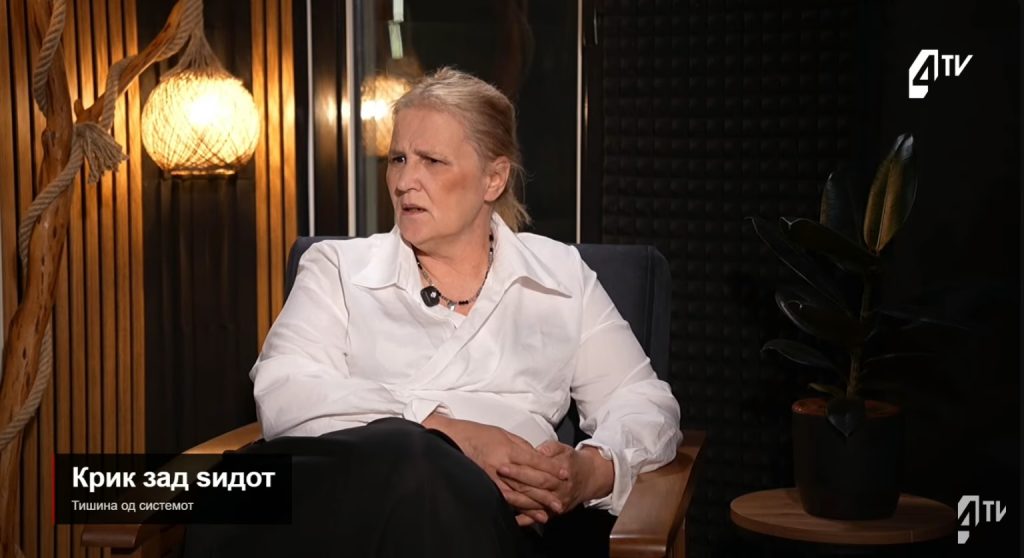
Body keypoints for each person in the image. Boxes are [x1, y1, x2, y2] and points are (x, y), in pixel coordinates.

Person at [184, 68, 681, 558]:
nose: (404, 181)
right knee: (409, 459)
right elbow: (284, 389)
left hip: (491, 524)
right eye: (398, 159)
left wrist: (593, 470)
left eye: (432, 161)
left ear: (493, 178)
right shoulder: (337, 267)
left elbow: (644, 403)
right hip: (333, 501)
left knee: (425, 477)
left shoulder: (561, 278)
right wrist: (451, 434)